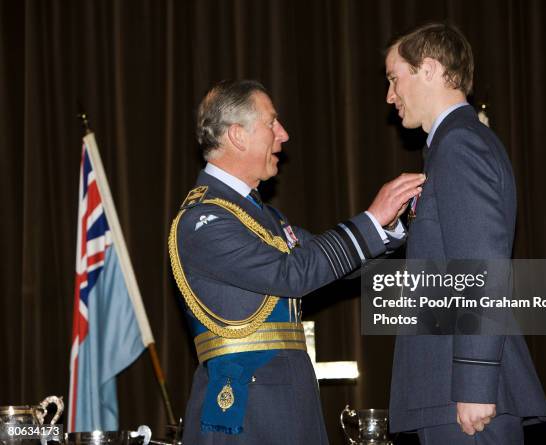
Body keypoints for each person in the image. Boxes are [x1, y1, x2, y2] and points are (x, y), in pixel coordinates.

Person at [168, 79, 425, 444]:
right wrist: (369, 219)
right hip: (246, 411)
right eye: (272, 123)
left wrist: (390, 226)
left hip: (289, 401)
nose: (283, 135)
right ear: (238, 136)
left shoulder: (264, 216)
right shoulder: (202, 220)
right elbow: (293, 274)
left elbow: (331, 265)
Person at [384, 23, 546, 444]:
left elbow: (481, 266)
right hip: (450, 388)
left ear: (429, 69)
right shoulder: (456, 142)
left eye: (393, 78)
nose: (390, 96)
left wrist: (475, 385)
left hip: (463, 398)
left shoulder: (458, 144)